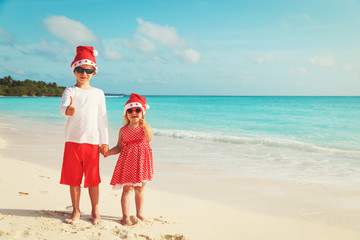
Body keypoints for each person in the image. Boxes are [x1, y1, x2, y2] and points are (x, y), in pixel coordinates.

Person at [59, 46, 109, 225]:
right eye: (80, 69)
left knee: (93, 179)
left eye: (89, 70)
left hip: (92, 142)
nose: (84, 73)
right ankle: (76, 211)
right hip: (73, 141)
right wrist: (68, 110)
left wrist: (105, 142)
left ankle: (95, 211)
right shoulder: (70, 91)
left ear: (94, 72)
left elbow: (103, 119)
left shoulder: (98, 93)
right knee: (74, 179)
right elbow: (63, 107)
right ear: (74, 70)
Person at [104, 93, 153, 226]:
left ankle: (140, 214)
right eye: (130, 110)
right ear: (126, 114)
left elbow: (149, 138)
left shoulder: (145, 127)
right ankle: (125, 217)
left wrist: (145, 126)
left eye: (138, 110)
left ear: (143, 113)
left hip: (141, 162)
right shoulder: (123, 130)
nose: (134, 112)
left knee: (140, 189)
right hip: (127, 163)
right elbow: (119, 147)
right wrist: (109, 153)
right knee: (127, 189)